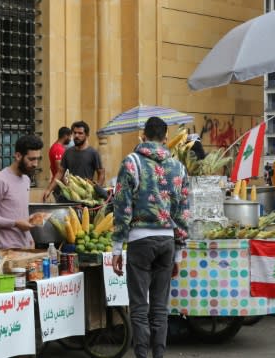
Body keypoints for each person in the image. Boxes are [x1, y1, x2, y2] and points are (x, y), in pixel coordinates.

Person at [111, 116, 189, 358]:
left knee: (138, 307)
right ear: (166, 138)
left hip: (139, 240)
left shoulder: (131, 162)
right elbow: (183, 211)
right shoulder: (178, 166)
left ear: (143, 135)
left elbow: (122, 206)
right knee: (160, 308)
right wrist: (178, 253)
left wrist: (116, 247)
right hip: (166, 241)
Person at [0, 135, 43, 249]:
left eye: (38, 159)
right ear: (18, 156)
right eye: (31, 159)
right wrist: (15, 223)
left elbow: (18, 213)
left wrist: (29, 237)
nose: (35, 164)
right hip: (6, 251)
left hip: (26, 248)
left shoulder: (26, 179)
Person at [42, 120, 105, 202]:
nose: (76, 135)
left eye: (80, 133)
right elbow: (60, 173)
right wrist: (49, 190)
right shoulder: (68, 152)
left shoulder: (93, 153)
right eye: (74, 133)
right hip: (71, 194)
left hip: (87, 196)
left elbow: (101, 173)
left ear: (87, 135)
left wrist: (96, 190)